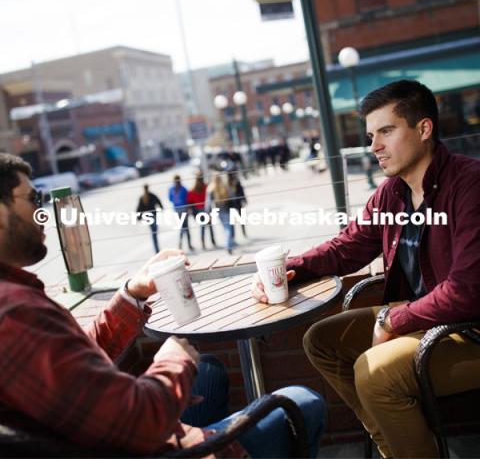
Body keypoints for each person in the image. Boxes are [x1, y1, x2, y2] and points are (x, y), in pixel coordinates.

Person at [0, 152, 327, 458]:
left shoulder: (16, 301)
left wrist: (133, 293)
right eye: (33, 199)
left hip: (116, 426)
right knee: (303, 401)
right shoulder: (16, 312)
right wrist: (173, 361)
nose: (42, 211)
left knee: (208, 368)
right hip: (153, 444)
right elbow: (140, 419)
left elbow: (76, 361)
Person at [252, 80, 480, 458]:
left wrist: (394, 318)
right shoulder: (392, 193)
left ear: (424, 129)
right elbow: (346, 248)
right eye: (371, 135)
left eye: (386, 131)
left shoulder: (469, 185)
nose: (373, 146)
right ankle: (398, 447)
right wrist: (289, 269)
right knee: (322, 341)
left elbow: (468, 289)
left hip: (470, 330)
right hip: (427, 319)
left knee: (376, 374)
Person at [187, 171, 216, 250]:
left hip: (199, 210)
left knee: (202, 227)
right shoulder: (206, 186)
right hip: (207, 209)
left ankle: (203, 242)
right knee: (210, 226)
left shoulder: (192, 189)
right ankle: (213, 240)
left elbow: (190, 201)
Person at [208, 174, 235, 254]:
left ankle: (229, 242)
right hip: (227, 210)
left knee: (225, 228)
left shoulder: (211, 189)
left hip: (219, 211)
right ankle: (229, 245)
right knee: (228, 229)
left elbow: (208, 203)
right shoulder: (225, 187)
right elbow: (232, 197)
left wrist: (209, 213)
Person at [169, 174, 194, 252]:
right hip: (183, 209)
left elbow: (170, 198)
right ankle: (188, 245)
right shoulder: (183, 189)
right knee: (186, 227)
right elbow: (188, 199)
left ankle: (181, 244)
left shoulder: (171, 189)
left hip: (177, 209)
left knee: (182, 227)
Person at [136, 184, 163, 253]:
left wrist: (138, 216)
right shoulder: (151, 195)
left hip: (147, 217)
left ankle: (156, 249)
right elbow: (158, 201)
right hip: (153, 216)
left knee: (153, 232)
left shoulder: (142, 197)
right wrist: (161, 207)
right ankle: (157, 249)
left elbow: (139, 208)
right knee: (155, 232)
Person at [227, 171, 247, 239]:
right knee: (232, 221)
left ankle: (243, 232)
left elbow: (241, 191)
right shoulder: (226, 183)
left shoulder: (236, 182)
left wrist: (244, 199)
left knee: (241, 219)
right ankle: (233, 235)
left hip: (237, 202)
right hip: (231, 204)